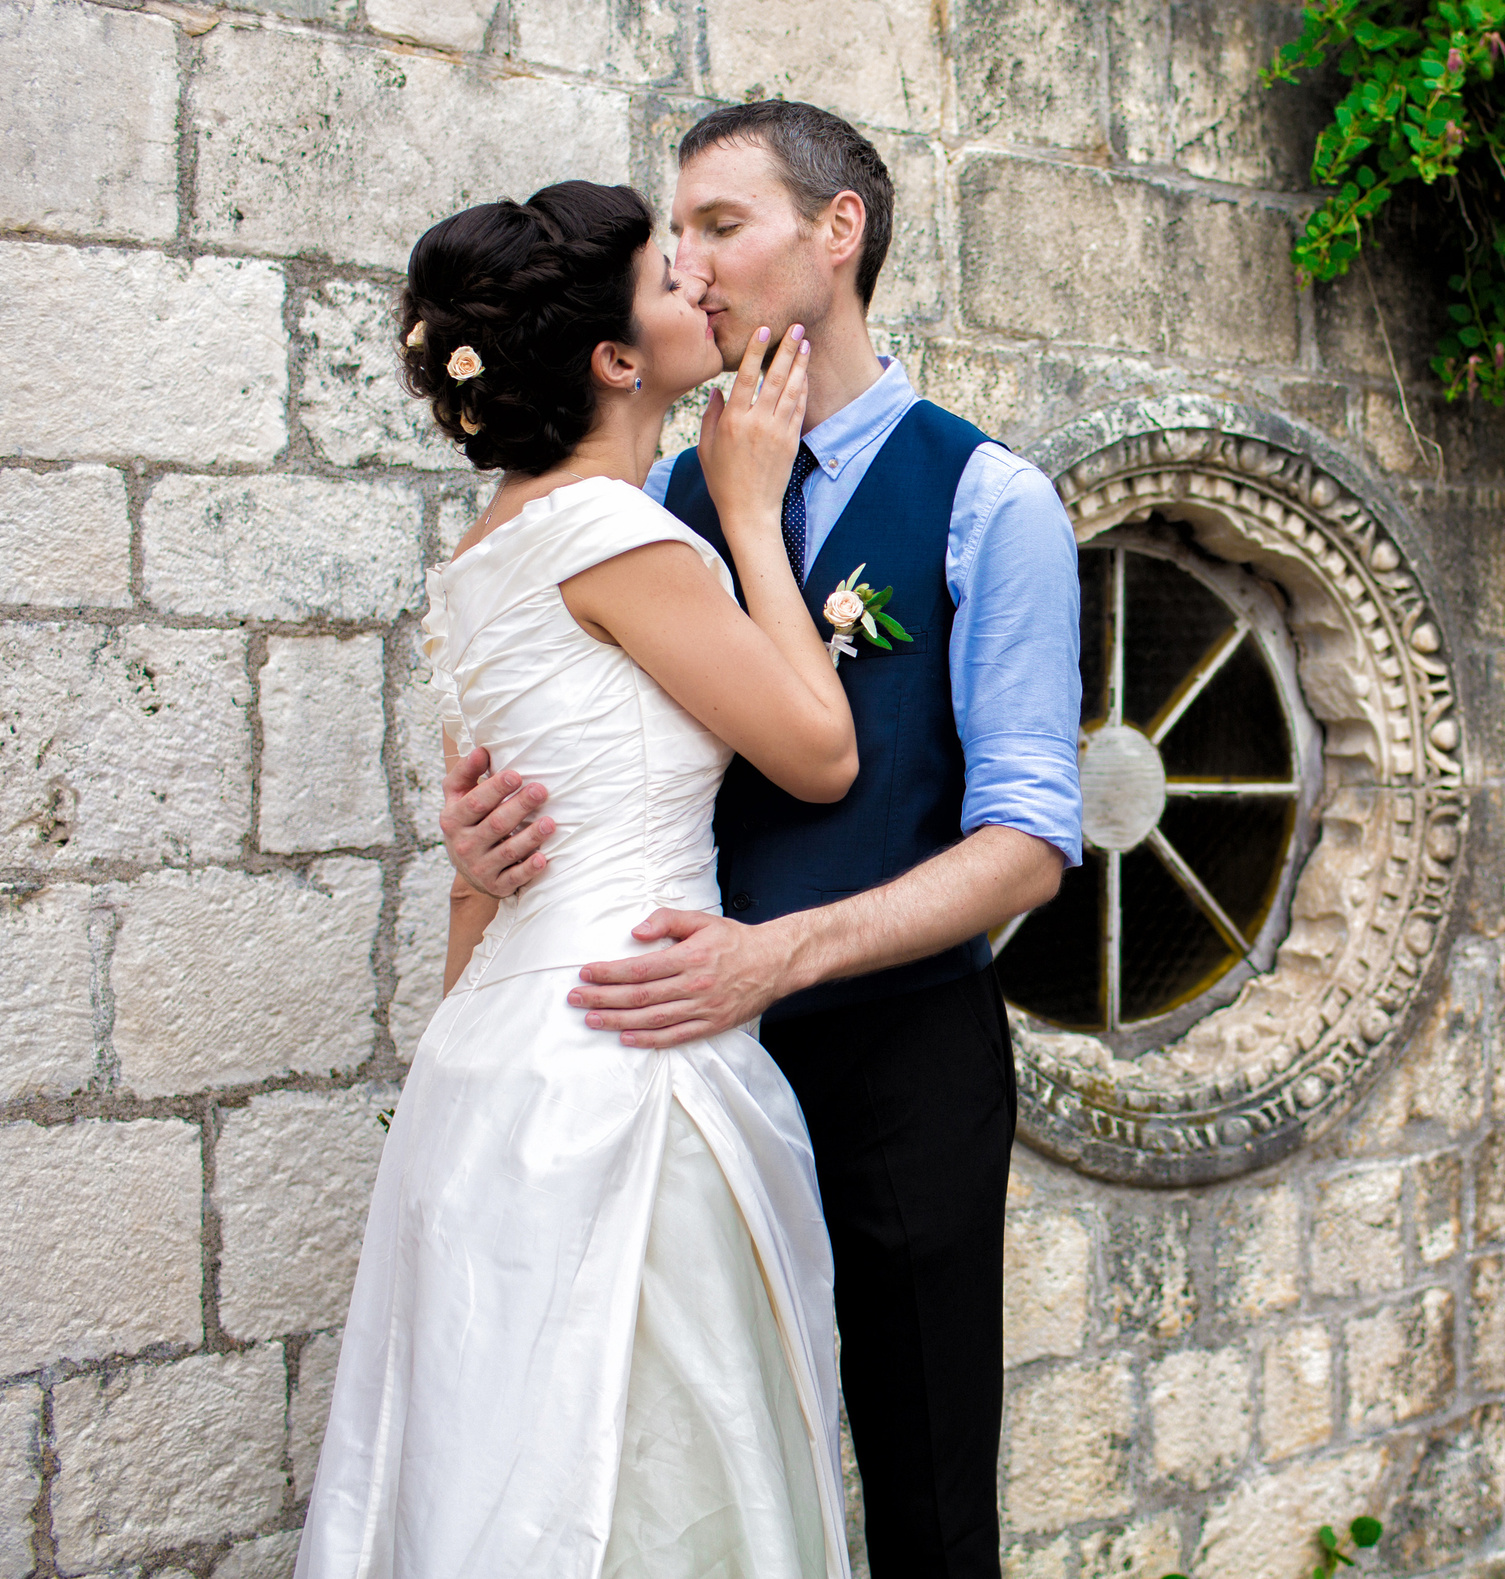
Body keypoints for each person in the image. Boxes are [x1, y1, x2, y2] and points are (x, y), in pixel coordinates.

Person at [438, 102, 1085, 1578]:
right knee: (696, 1483)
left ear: (837, 232)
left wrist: (780, 955)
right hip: (674, 1064)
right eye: (676, 238)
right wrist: (483, 835)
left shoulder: (991, 501)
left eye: (721, 227)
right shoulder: (647, 501)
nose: (691, 265)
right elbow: (579, 746)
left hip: (897, 1061)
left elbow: (1030, 843)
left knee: (927, 1504)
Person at [297, 180, 858, 1578]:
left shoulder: (481, 555)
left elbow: (488, 866)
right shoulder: (622, 537)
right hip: (628, 1051)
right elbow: (819, 755)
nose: (701, 286)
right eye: (671, 280)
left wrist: (461, 1004)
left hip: (490, 1062)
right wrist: (750, 512)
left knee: (493, 1451)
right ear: (616, 360)